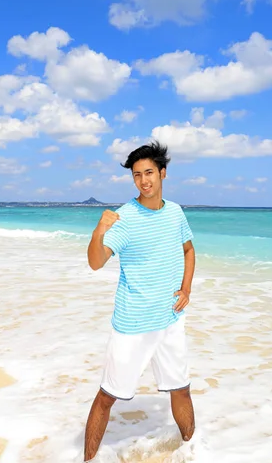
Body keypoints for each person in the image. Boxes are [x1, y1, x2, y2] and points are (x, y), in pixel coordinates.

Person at [84, 140, 196, 462]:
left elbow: (188, 250)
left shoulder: (175, 212)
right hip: (133, 324)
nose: (144, 180)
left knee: (182, 388)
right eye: (137, 175)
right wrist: (99, 231)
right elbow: (95, 262)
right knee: (107, 396)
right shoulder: (125, 218)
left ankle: (192, 451)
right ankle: (88, 459)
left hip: (171, 319)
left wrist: (185, 288)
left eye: (149, 172)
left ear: (163, 173)